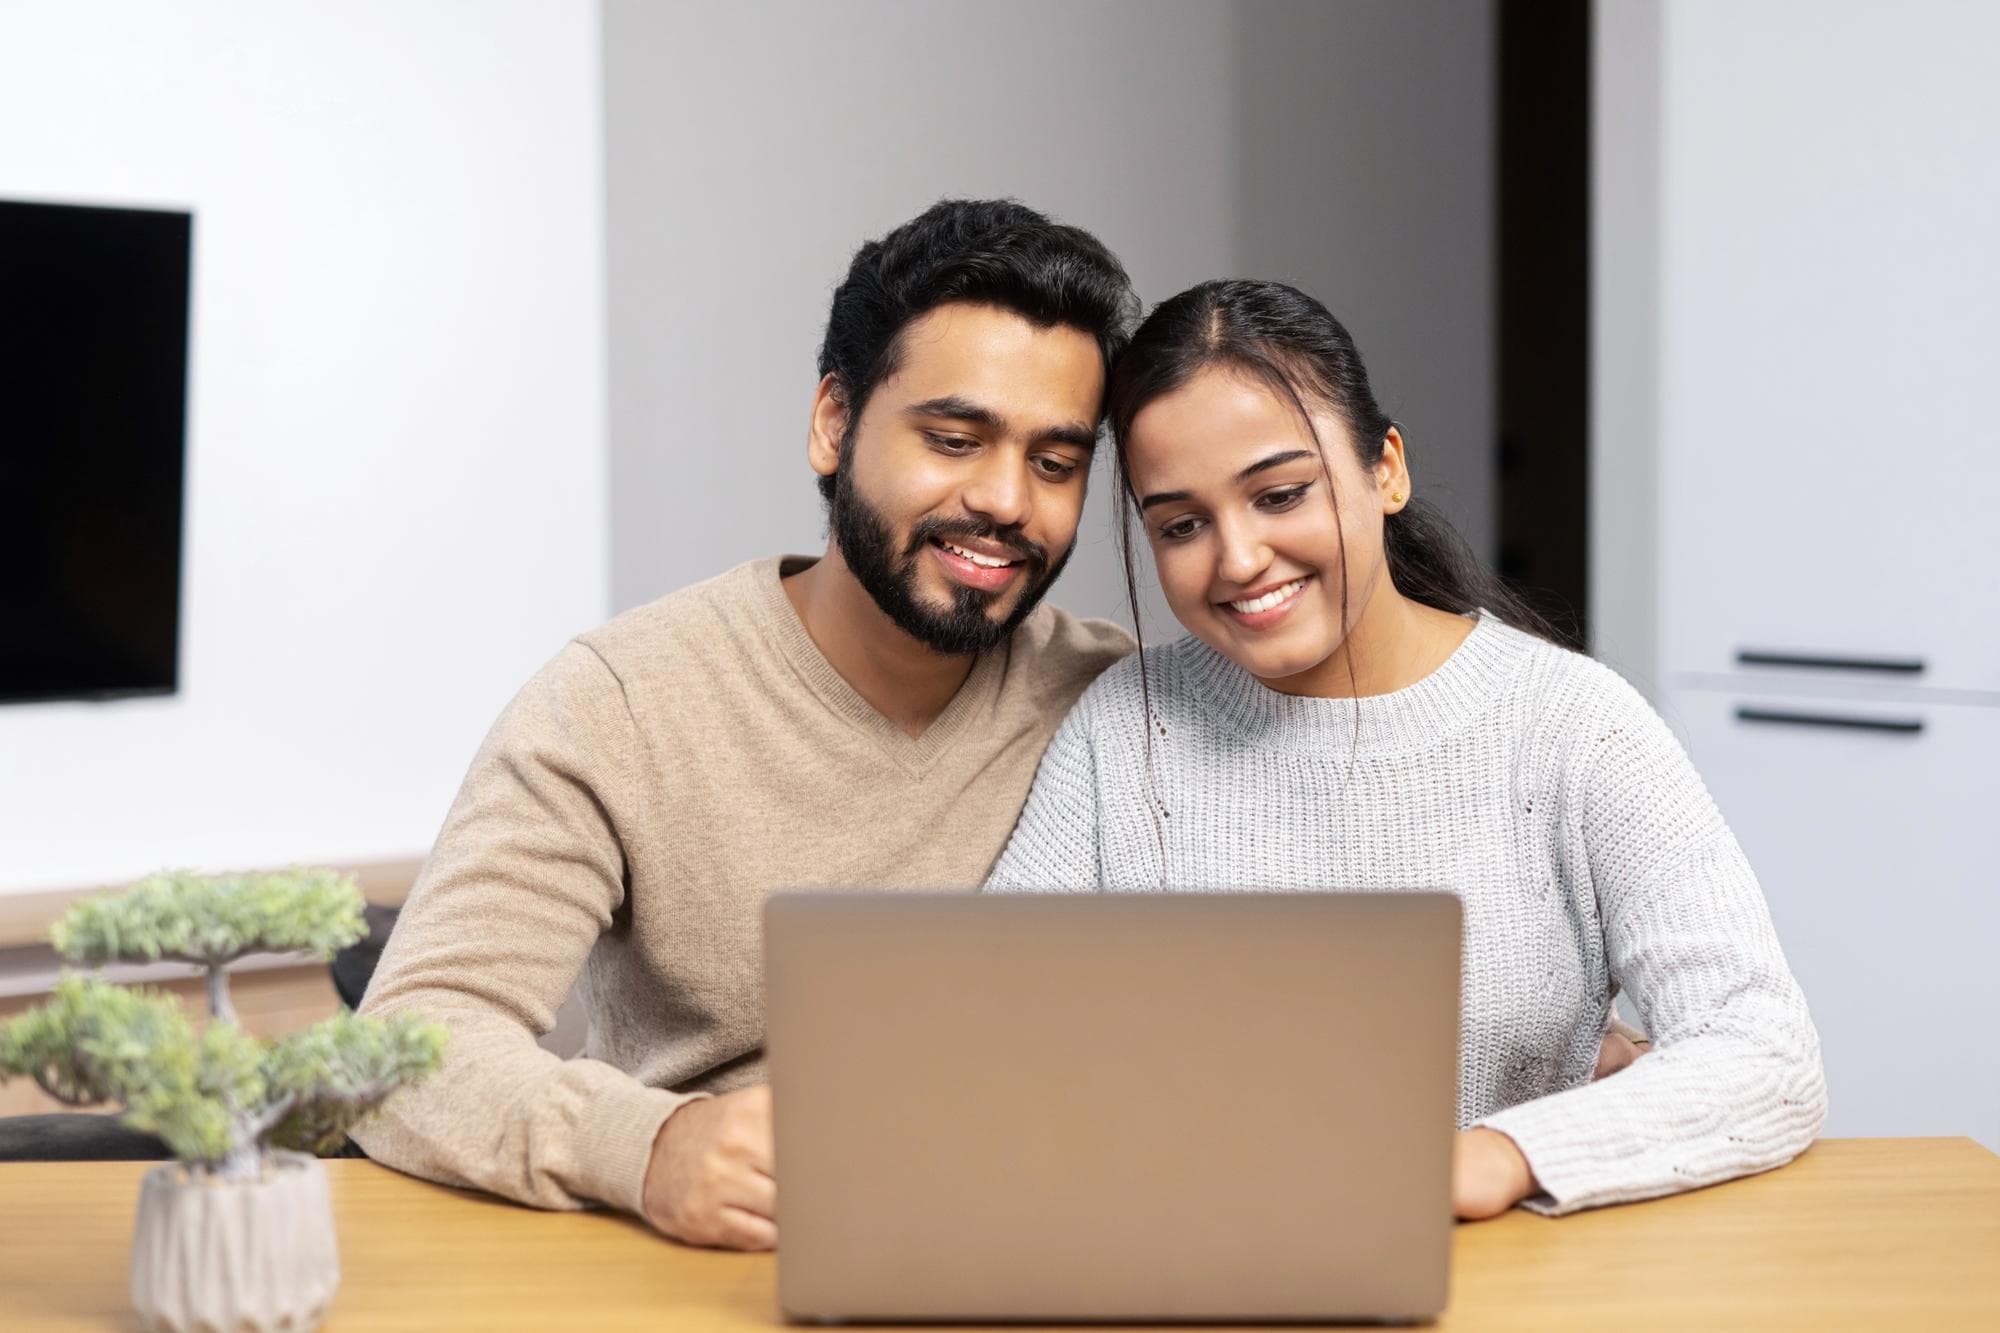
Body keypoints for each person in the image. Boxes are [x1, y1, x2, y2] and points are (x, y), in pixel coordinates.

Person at [354, 199, 1139, 1250]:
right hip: (706, 1259)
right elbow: (404, 1048)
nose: (1006, 499)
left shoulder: (1119, 702)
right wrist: (650, 1145)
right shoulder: (620, 699)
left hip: (1035, 1253)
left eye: (1054, 463)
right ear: (832, 422)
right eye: (954, 438)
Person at [985, 279, 1827, 1219]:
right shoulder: (1121, 727)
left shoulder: (1574, 723)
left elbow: (1765, 1048)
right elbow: (987, 1034)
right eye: (1181, 525)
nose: (1239, 558)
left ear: (1386, 468)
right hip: (1189, 1268)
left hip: (1505, 1282)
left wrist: (1503, 1153)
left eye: (1281, 494)